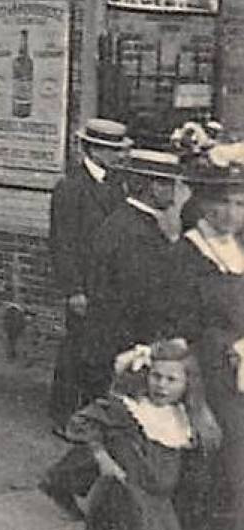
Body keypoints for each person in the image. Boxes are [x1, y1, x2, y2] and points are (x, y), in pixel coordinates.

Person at [42, 339, 216, 530]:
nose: (162, 386)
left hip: (157, 507)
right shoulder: (129, 410)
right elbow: (82, 422)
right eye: (157, 377)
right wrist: (102, 459)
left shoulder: (183, 419)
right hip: (122, 500)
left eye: (172, 380)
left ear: (187, 384)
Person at [164, 144, 244, 530]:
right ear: (206, 204)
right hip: (208, 388)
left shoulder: (237, 252)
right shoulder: (187, 255)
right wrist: (197, 408)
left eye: (240, 203)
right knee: (210, 485)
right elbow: (179, 339)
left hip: (239, 384)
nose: (234, 211)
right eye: (226, 202)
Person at [79, 149, 184, 409]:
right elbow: (139, 295)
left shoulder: (129, 222)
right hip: (122, 340)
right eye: (167, 184)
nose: (173, 192)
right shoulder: (135, 231)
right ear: (151, 187)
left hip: (109, 336)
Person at [47, 118, 133, 434]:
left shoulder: (116, 185)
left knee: (101, 350)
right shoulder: (71, 187)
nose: (117, 156)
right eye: (110, 150)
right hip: (84, 285)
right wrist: (73, 290)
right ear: (93, 150)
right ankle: (63, 414)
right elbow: (62, 243)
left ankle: (94, 415)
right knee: (75, 350)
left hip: (111, 285)